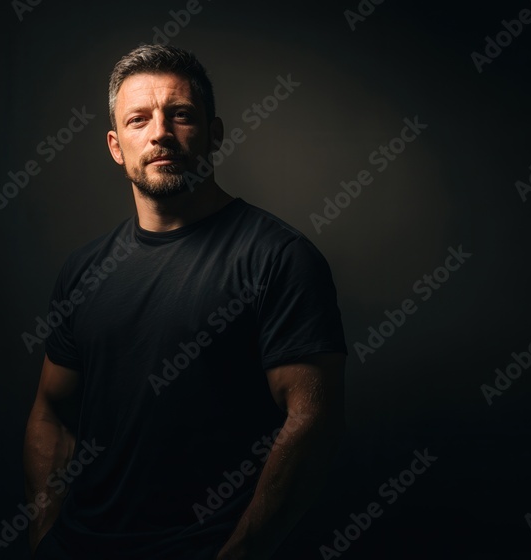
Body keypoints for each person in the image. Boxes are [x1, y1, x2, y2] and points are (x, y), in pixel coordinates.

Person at [23, 44, 348, 560]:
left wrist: (241, 553)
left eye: (180, 115)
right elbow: (50, 410)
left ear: (214, 133)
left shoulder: (278, 257)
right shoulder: (83, 270)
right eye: (138, 119)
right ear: (115, 146)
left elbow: (312, 422)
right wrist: (45, 535)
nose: (160, 133)